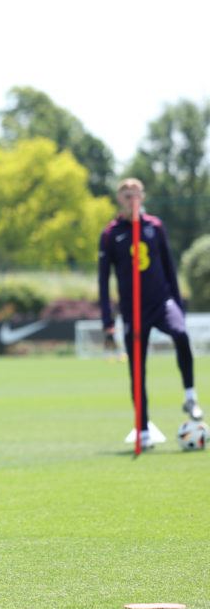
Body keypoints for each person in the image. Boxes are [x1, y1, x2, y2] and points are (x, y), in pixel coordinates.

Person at [98, 177, 202, 449]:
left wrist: (178, 305)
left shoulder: (155, 226)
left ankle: (190, 395)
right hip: (133, 310)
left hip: (162, 301)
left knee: (180, 333)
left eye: (136, 194)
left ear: (143, 197)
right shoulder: (111, 234)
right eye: (126, 195)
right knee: (137, 369)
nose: (132, 199)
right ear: (119, 199)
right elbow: (102, 279)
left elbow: (169, 266)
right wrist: (108, 322)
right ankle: (142, 429)